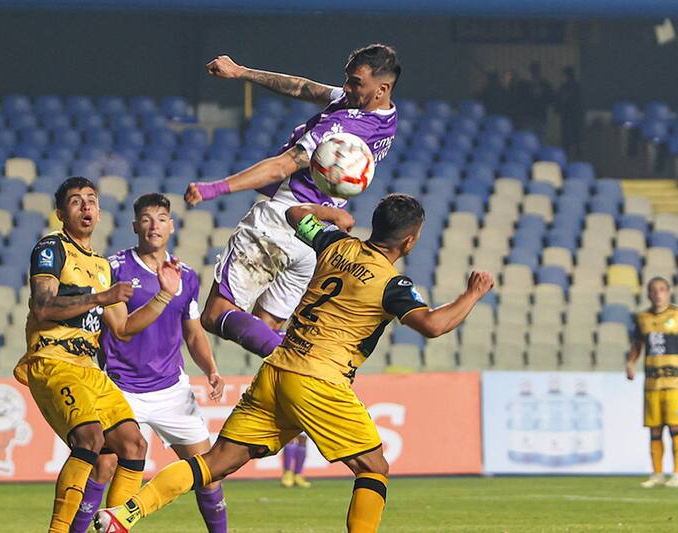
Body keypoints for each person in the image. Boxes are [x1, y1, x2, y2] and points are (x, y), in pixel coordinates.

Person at [93, 194, 494, 533]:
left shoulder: (335, 243)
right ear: (410, 241)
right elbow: (433, 325)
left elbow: (294, 214)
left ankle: (128, 513)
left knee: (214, 463)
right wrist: (473, 294)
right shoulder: (393, 285)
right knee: (373, 466)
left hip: (277, 369)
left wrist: (331, 213)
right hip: (320, 378)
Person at [185, 44, 400, 359]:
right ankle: (294, 368)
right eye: (347, 79)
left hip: (282, 221)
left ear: (381, 88)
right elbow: (303, 87)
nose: (346, 88)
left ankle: (302, 355)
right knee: (265, 325)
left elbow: (283, 166)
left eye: (355, 82)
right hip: (314, 235)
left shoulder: (343, 128)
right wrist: (242, 72)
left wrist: (214, 189)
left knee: (215, 315)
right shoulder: (385, 115)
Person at [13, 177, 182, 533]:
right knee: (89, 439)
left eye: (91, 200)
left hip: (89, 369)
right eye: (76, 202)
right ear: (61, 213)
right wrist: (99, 299)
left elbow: (121, 328)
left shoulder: (102, 266)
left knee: (134, 445)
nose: (86, 206)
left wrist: (164, 296)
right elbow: (42, 306)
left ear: (100, 212)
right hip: (53, 360)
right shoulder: (51, 248)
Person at [69, 193, 228, 533]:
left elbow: (194, 332)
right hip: (122, 389)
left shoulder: (185, 275)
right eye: (146, 219)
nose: (153, 225)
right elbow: (121, 330)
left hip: (171, 389)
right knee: (105, 466)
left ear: (171, 226)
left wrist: (211, 369)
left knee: (209, 473)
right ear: (135, 226)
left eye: (160, 218)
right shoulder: (114, 269)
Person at [627, 276, 678, 488]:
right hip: (652, 383)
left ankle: (677, 474)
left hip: (676, 382)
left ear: (668, 292)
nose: (658, 294)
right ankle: (657, 474)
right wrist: (630, 363)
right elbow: (637, 344)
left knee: (675, 428)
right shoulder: (642, 318)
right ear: (648, 294)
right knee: (655, 429)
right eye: (654, 290)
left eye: (662, 290)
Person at [555, 65, 584, 158]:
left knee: (576, 141)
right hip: (567, 118)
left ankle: (577, 159)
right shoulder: (563, 88)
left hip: (575, 118)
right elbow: (558, 102)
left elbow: (581, 102)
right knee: (566, 141)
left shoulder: (577, 87)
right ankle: (566, 159)